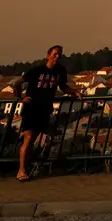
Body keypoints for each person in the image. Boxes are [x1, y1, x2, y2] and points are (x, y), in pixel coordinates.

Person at [15, 46, 76, 182]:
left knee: (36, 138)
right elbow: (17, 83)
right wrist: (21, 98)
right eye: (55, 54)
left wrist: (75, 92)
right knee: (29, 138)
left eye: (59, 55)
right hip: (32, 107)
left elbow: (62, 86)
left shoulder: (60, 71)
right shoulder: (36, 70)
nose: (57, 57)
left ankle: (27, 168)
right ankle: (21, 170)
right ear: (48, 55)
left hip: (45, 108)